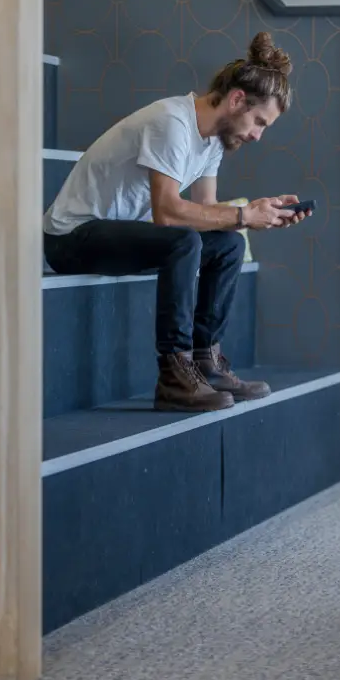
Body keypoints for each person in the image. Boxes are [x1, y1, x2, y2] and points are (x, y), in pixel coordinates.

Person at [43, 32, 311, 413]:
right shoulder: (172, 122)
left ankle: (205, 362)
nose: (257, 135)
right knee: (182, 242)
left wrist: (259, 214)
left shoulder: (213, 141)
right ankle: (174, 374)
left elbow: (206, 212)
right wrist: (242, 215)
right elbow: (167, 212)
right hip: (71, 237)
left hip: (119, 235)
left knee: (229, 246)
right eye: (258, 121)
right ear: (237, 99)